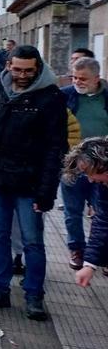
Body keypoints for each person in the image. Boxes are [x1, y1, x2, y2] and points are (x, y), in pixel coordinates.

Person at [0, 45, 68, 320]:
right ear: (8, 66)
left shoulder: (51, 98)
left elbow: (55, 148)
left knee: (32, 242)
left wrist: (47, 191)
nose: (22, 75)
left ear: (37, 68)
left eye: (28, 70)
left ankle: (34, 295)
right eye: (17, 69)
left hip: (30, 181)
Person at [60, 57, 108, 270]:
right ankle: (77, 249)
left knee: (102, 211)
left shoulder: (106, 98)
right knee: (72, 210)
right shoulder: (65, 96)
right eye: (75, 77)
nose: (77, 82)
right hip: (73, 163)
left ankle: (102, 254)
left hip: (102, 167)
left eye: (83, 78)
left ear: (97, 78)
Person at [63, 137, 108, 286]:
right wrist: (89, 264)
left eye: (89, 172)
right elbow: (102, 222)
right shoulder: (104, 187)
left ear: (102, 164)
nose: (90, 180)